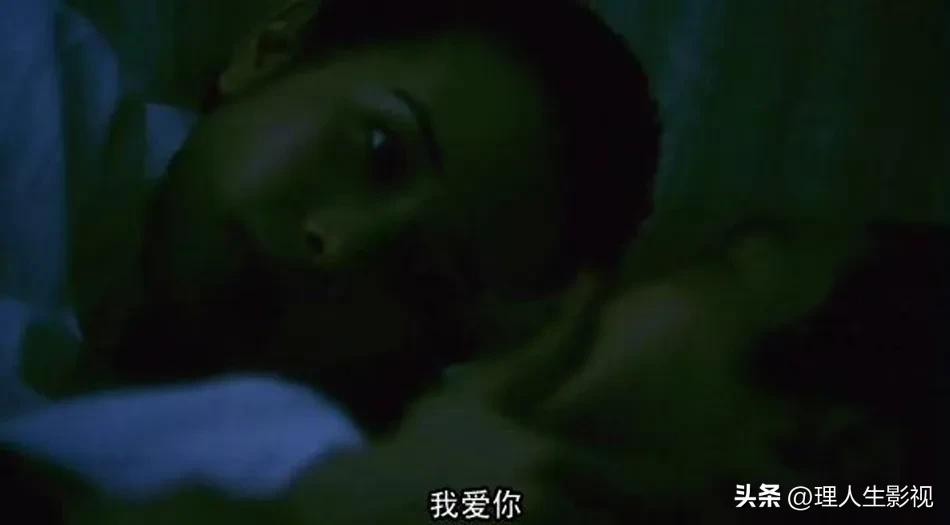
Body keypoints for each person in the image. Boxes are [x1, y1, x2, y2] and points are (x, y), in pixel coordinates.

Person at [66, 0, 661, 434]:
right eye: (381, 155)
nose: (339, 245)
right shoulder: (40, 86)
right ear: (271, 53)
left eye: (421, 282)